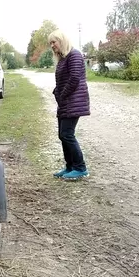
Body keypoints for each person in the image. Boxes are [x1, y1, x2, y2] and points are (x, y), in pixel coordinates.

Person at [49, 29, 90, 181]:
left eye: (54, 42)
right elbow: (61, 81)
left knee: (67, 134)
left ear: (62, 40)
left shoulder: (74, 55)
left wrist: (62, 94)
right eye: (51, 43)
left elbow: (74, 79)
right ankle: (70, 167)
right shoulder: (63, 58)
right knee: (62, 135)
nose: (52, 45)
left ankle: (80, 168)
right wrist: (57, 92)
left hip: (73, 102)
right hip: (65, 102)